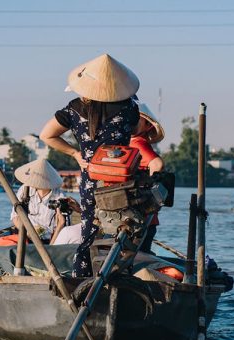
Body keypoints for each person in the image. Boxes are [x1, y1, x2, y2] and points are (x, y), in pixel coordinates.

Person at [40, 53, 140, 277]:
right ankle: (118, 276)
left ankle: (82, 276)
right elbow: (136, 131)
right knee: (121, 229)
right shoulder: (129, 108)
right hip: (120, 181)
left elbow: (47, 135)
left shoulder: (74, 108)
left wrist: (75, 153)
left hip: (91, 178)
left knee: (89, 230)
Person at [0, 159, 79, 246]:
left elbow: (61, 226)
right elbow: (15, 217)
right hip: (25, 235)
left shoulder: (60, 196)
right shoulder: (25, 189)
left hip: (49, 240)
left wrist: (49, 246)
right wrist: (29, 232)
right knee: (1, 243)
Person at [129, 102, 165, 252]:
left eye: (138, 119)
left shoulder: (137, 143)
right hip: (142, 217)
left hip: (141, 217)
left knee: (137, 257)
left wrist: (147, 192)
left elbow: (157, 165)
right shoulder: (133, 142)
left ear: (148, 125)